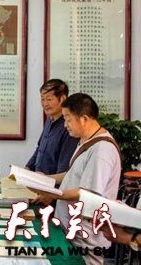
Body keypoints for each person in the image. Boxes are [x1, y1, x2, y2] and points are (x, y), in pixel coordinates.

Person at [31, 93, 121, 265]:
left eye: (67, 119)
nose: (65, 125)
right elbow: (73, 174)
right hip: (72, 229)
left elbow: (88, 193)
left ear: (84, 118)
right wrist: (44, 180)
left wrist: (52, 193)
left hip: (85, 236)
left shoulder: (101, 150)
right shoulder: (86, 141)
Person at [25, 79, 79, 174]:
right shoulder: (49, 119)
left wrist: (45, 179)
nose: (45, 104)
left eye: (49, 99)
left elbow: (64, 169)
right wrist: (28, 168)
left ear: (62, 99)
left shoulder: (69, 127)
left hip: (52, 182)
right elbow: (40, 149)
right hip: (38, 179)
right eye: (42, 99)